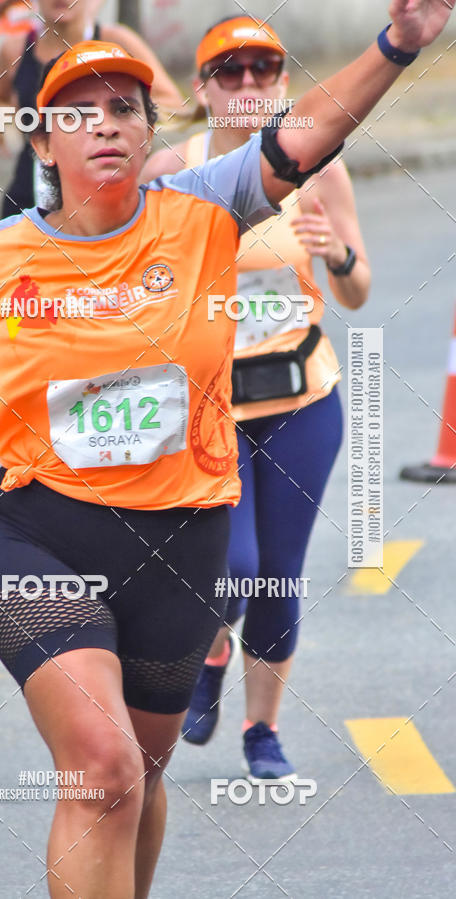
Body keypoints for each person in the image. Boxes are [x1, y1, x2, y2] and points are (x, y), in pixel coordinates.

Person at [0, 4, 452, 894]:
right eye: (78, 112)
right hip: (39, 536)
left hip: (180, 544)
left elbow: (307, 132)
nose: (104, 123)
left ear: (147, 135)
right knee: (101, 768)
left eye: (124, 109)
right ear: (43, 142)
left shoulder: (205, 208)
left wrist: (399, 44)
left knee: (141, 771)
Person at [142, 15, 371, 781]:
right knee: (233, 568)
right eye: (229, 71)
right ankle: (210, 653)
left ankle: (261, 731)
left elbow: (357, 289)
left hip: (301, 398)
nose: (247, 84)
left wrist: (337, 253)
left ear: (282, 84)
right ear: (203, 87)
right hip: (209, 404)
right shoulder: (170, 169)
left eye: (263, 70)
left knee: (278, 574)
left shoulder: (320, 169)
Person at [0, 0, 185, 217]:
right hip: (32, 188)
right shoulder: (16, 48)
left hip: (104, 191)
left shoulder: (116, 41)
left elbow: (173, 103)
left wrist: (128, 118)